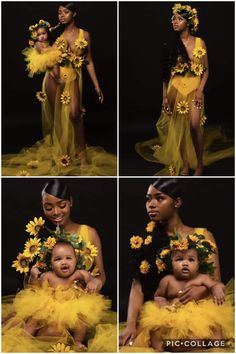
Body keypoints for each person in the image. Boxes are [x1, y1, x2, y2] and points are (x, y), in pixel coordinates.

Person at [2, 3, 117, 176]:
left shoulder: (84, 34)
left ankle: (82, 154)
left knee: (74, 115)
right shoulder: (54, 33)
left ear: (74, 13)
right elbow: (42, 53)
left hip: (72, 78)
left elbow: (89, 60)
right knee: (59, 118)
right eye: (59, 12)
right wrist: (46, 58)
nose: (62, 15)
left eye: (66, 11)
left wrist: (97, 85)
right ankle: (63, 155)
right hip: (54, 79)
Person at [2, 179, 117, 352]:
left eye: (61, 205)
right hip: (48, 303)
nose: (56, 212)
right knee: (40, 329)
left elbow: (101, 275)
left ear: (70, 202)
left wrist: (96, 282)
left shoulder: (89, 233)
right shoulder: (42, 236)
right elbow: (34, 283)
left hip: (78, 303)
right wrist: (33, 275)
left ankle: (74, 339)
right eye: (48, 208)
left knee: (68, 329)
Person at [119, 178, 222, 349]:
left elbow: (215, 280)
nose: (151, 204)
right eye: (148, 199)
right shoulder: (145, 240)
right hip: (163, 311)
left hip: (197, 310)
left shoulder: (202, 235)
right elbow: (137, 286)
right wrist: (131, 324)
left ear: (177, 202)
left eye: (159, 198)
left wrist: (199, 290)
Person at [135, 3, 234, 176]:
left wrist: (199, 91)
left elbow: (206, 70)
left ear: (188, 22)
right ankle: (186, 164)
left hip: (194, 89)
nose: (175, 21)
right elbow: (166, 76)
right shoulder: (170, 46)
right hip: (175, 89)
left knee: (194, 125)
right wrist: (164, 98)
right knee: (179, 127)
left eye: (179, 19)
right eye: (173, 18)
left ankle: (200, 165)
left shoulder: (199, 43)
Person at [4, 240, 110, 350]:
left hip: (72, 306)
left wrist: (93, 283)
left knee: (82, 318)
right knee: (35, 317)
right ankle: (25, 338)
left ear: (76, 259)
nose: (64, 262)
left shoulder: (80, 273)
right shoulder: (48, 275)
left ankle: (78, 341)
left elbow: (93, 281)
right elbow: (34, 287)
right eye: (58, 259)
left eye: (68, 258)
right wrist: (33, 275)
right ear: (51, 264)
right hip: (51, 307)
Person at [140, 239, 233, 351]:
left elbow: (215, 285)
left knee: (215, 322)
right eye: (179, 259)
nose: (185, 263)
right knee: (155, 326)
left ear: (198, 264)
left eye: (191, 260)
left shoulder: (202, 278)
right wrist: (164, 306)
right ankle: (159, 348)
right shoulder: (168, 280)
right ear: (171, 263)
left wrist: (216, 288)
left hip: (198, 316)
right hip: (172, 314)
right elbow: (159, 296)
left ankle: (216, 346)